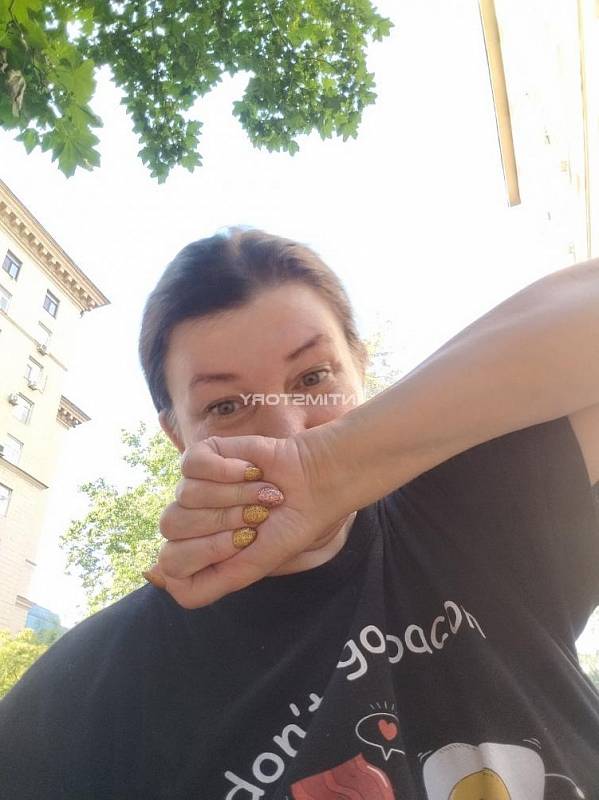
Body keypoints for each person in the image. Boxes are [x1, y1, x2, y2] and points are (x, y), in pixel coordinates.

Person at [1, 228, 598, 800]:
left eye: (313, 377)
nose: (286, 433)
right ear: (177, 435)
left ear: (359, 368)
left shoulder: (475, 510)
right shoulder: (99, 689)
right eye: (226, 406)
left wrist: (331, 464)